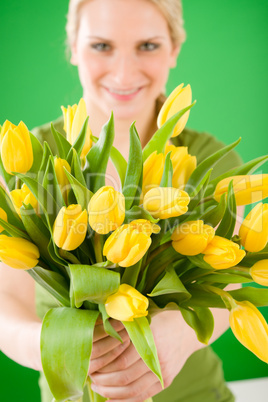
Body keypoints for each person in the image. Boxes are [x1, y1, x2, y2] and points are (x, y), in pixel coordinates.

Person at [0, 1, 243, 401]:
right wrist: (59, 348)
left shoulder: (208, 163)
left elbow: (227, 285)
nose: (125, 73)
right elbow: (7, 297)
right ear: (73, 47)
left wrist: (179, 337)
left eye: (147, 45)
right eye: (101, 46)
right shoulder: (28, 161)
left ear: (174, 48)